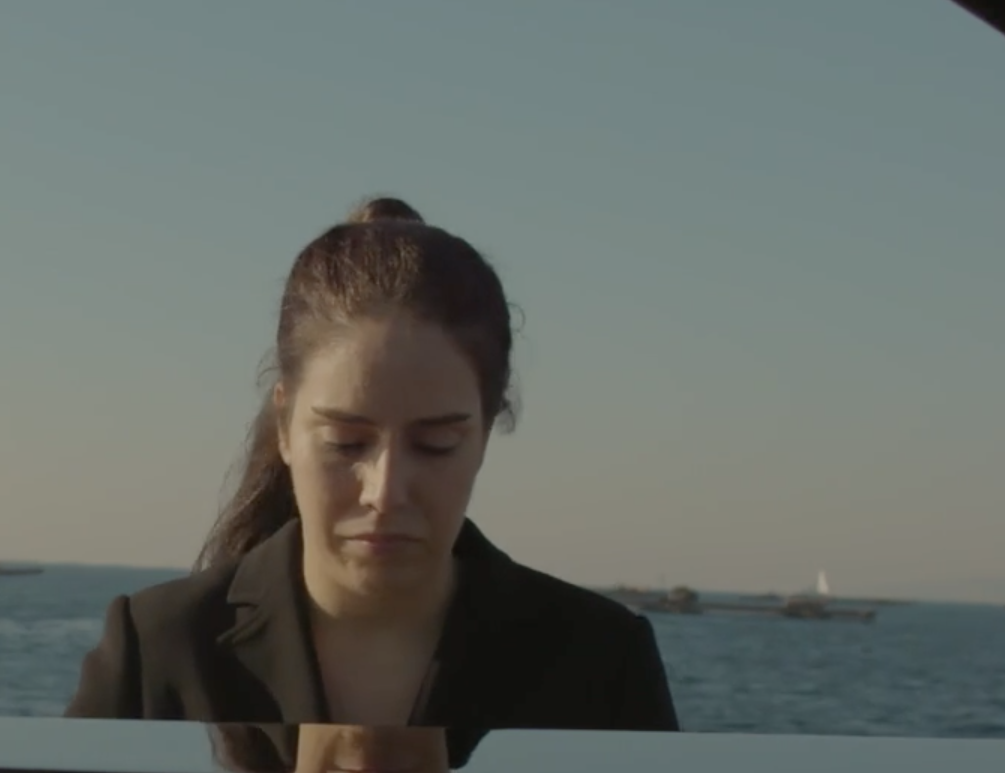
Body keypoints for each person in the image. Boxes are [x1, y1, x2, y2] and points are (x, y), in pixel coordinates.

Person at [65, 198, 677, 731]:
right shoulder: (159, 648)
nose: (385, 491)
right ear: (285, 425)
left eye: (435, 445)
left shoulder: (602, 662)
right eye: (346, 443)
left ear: (486, 434)